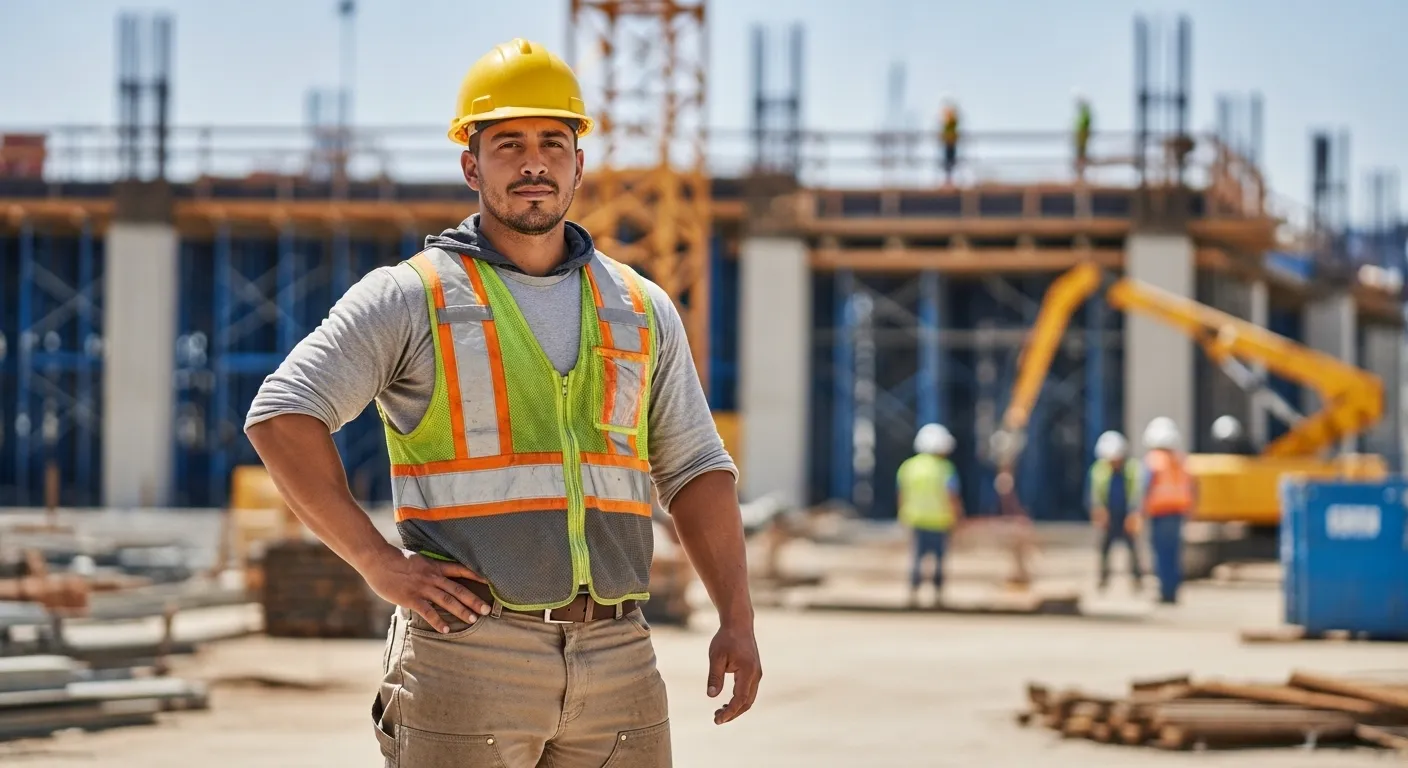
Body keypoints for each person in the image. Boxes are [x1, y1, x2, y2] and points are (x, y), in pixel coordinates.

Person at [244, 38, 761, 767]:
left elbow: (695, 469)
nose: (533, 163)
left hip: (618, 654)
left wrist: (735, 617)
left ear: (579, 163)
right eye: (508, 143)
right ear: (470, 164)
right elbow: (282, 414)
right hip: (468, 653)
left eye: (554, 142)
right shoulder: (412, 296)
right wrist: (377, 563)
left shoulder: (640, 307)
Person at [897, 423, 964, 608]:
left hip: (916, 520)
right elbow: (952, 496)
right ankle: (938, 597)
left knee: (917, 560)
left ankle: (913, 595)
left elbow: (902, 494)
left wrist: (902, 515)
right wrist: (958, 517)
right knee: (939, 561)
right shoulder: (944, 468)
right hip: (940, 521)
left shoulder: (908, 466)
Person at [1140, 417, 1197, 605]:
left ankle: (1165, 592)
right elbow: (1193, 487)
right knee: (1174, 554)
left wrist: (1139, 512)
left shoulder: (1153, 461)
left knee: (1161, 554)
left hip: (1160, 514)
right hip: (1177, 513)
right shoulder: (1180, 461)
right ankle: (1172, 591)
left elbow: (1145, 488)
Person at [1087, 430, 1143, 592]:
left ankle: (1137, 579)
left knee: (1132, 548)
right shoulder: (1099, 470)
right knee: (1104, 548)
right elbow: (1095, 493)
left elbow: (1137, 492)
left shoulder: (1132, 468)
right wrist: (1099, 512)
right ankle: (1103, 579)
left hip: (1126, 513)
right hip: (1109, 514)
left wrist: (1134, 513)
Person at [939, 100, 960, 186]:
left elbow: (953, 123)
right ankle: (948, 180)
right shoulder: (948, 121)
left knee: (951, 162)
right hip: (948, 144)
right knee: (947, 163)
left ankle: (950, 180)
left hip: (951, 144)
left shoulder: (952, 121)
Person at [1073, 91, 1092, 179]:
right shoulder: (1084, 114)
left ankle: (1081, 175)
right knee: (1080, 156)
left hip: (1081, 139)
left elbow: (1085, 124)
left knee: (1081, 156)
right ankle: (1079, 174)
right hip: (1080, 139)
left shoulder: (1085, 113)